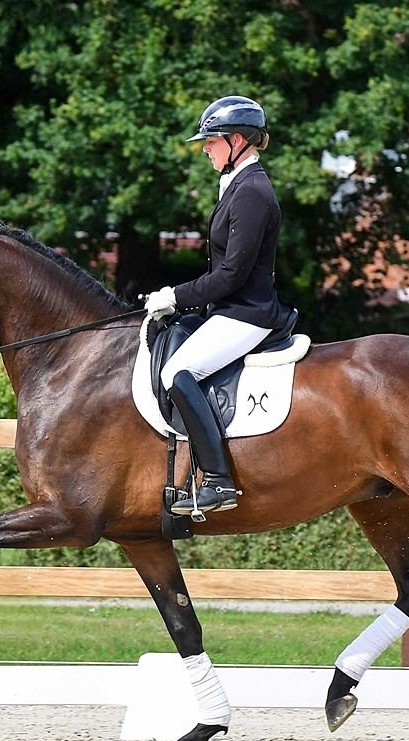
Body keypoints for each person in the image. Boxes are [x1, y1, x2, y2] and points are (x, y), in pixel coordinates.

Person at [145, 95, 295, 516]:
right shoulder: (237, 185)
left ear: (236, 140)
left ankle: (218, 481)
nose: (205, 149)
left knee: (178, 371)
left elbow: (231, 274)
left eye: (210, 142)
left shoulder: (252, 192)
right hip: (229, 308)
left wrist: (175, 296)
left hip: (247, 312)